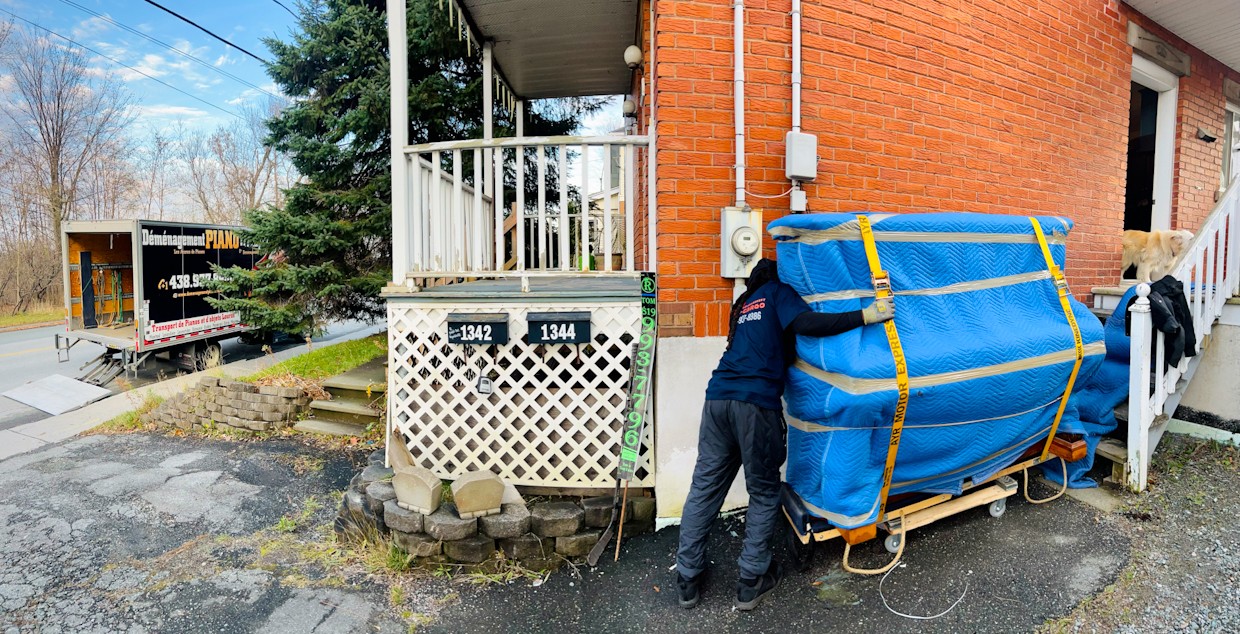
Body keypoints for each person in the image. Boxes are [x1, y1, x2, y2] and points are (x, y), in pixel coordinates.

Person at [675, 257, 894, 611]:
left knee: (704, 489)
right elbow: (807, 324)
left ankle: (687, 580)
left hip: (717, 399)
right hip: (755, 406)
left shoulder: (744, 304)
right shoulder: (777, 292)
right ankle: (751, 581)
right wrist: (866, 315)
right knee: (763, 492)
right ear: (777, 278)